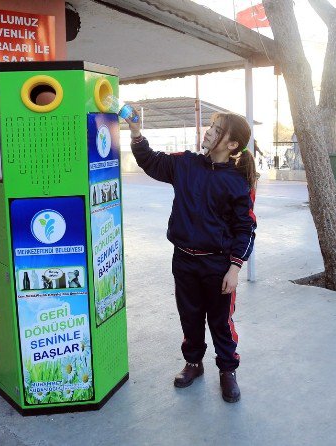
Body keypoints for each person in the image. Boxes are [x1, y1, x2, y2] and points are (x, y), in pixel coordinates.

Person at [126, 111, 257, 403]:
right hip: (184, 259)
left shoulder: (237, 182)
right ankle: (194, 363)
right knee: (191, 316)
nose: (209, 132)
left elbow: (246, 227)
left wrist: (234, 268)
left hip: (218, 264)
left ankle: (227, 371)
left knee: (221, 322)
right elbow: (151, 160)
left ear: (232, 145)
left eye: (217, 130)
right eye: (211, 126)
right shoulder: (185, 164)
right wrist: (136, 133)